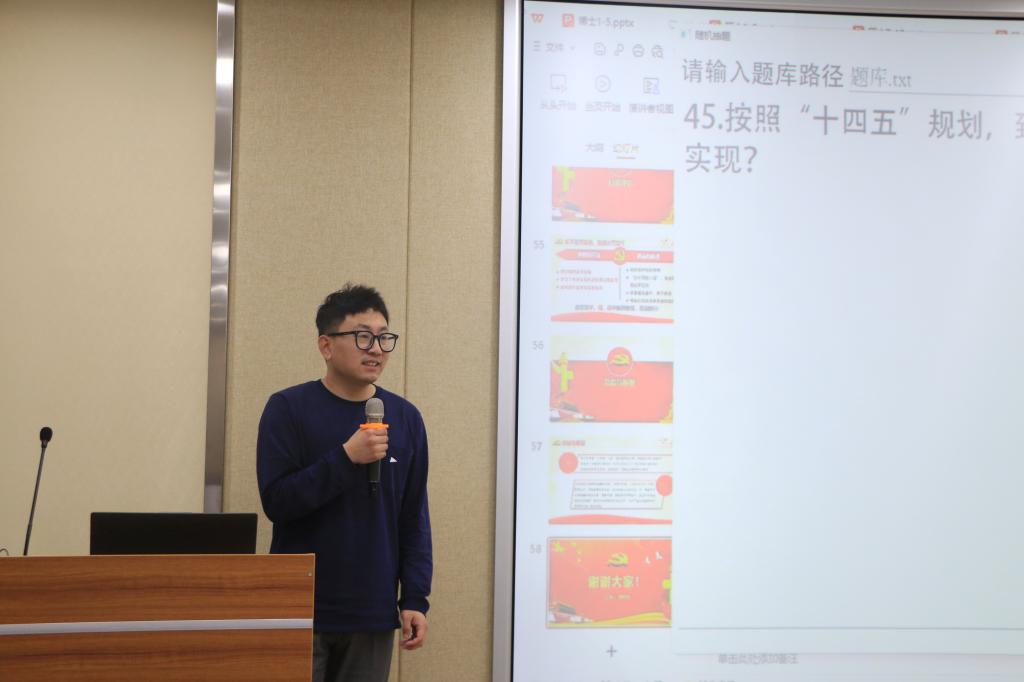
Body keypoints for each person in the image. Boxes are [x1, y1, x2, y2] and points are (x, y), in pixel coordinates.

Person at [256, 284, 432, 682]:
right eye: (363, 337)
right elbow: (278, 502)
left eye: (384, 338)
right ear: (326, 345)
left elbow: (413, 517)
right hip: (301, 607)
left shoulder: (406, 418)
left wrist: (415, 597)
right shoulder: (288, 408)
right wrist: (346, 457)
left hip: (371, 609)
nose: (376, 349)